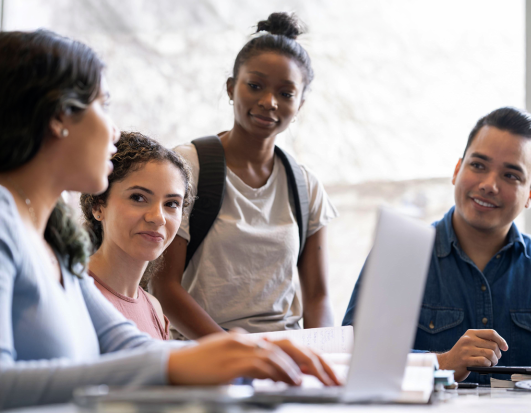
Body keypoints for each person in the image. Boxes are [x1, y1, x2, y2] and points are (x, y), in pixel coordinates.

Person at [0, 29, 339, 409]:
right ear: (58, 117)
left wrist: (245, 355)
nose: (114, 131)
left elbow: (124, 346)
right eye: (104, 104)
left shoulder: (56, 242)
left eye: (173, 204)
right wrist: (191, 360)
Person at [151, 12, 338, 340]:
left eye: (286, 93)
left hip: (283, 355)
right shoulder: (187, 166)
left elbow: (318, 297)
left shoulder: (306, 186)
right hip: (203, 354)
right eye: (255, 86)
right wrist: (234, 350)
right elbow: (164, 288)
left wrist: (322, 359)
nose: (269, 102)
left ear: (300, 104)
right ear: (230, 88)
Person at [343, 107, 531, 384]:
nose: (489, 185)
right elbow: (354, 361)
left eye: (510, 175)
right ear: (457, 170)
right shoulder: (398, 257)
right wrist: (442, 363)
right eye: (478, 165)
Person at [80, 132, 193, 340]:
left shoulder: (155, 309)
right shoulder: (72, 292)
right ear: (98, 205)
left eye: (171, 204)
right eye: (138, 197)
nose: (158, 218)